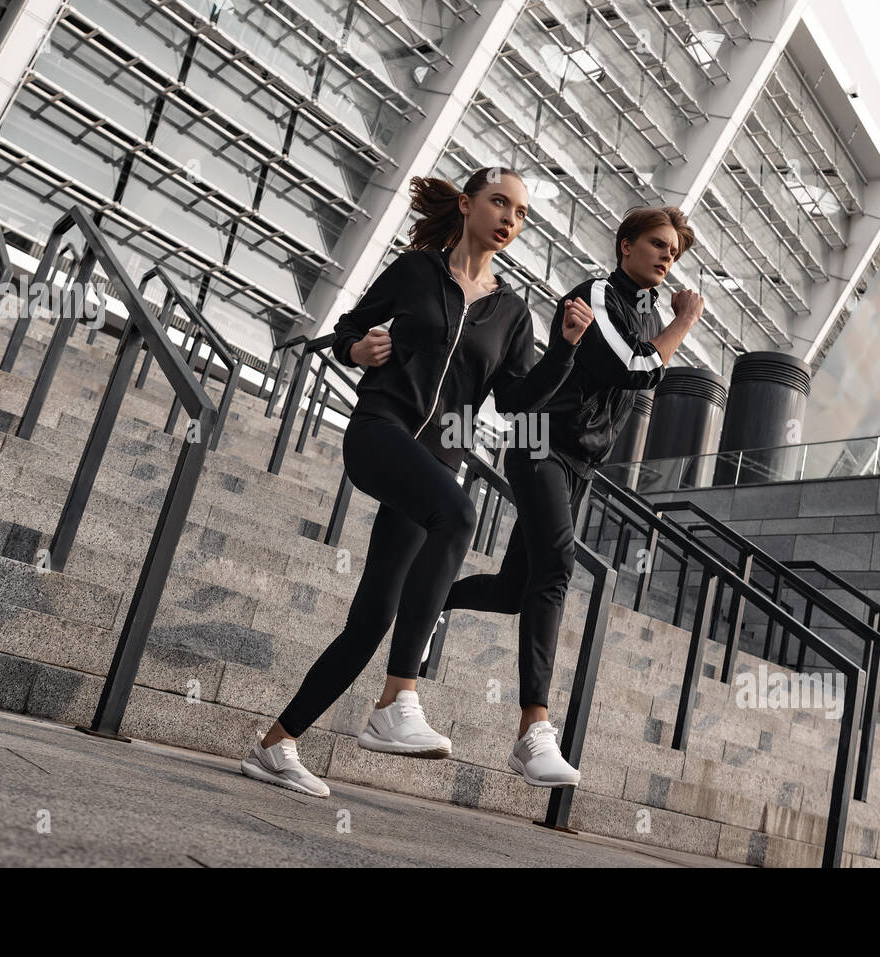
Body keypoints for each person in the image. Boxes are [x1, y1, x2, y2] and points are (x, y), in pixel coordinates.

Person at [240, 167, 595, 797]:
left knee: (373, 616)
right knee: (459, 516)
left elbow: (515, 400)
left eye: (520, 213)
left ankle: (277, 743)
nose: (510, 218)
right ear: (466, 205)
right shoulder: (416, 272)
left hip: (438, 457)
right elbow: (349, 326)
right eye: (498, 202)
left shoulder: (511, 312)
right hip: (380, 429)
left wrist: (565, 349)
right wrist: (358, 351)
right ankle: (398, 696)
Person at [440, 206, 703, 787]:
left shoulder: (644, 310)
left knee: (515, 590)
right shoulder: (598, 295)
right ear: (625, 244)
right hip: (540, 443)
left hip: (579, 461)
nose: (666, 257)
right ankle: (533, 730)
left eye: (674, 252)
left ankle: (429, 600)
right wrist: (684, 322)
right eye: (657, 244)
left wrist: (667, 322)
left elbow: (636, 372)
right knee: (556, 565)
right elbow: (637, 369)